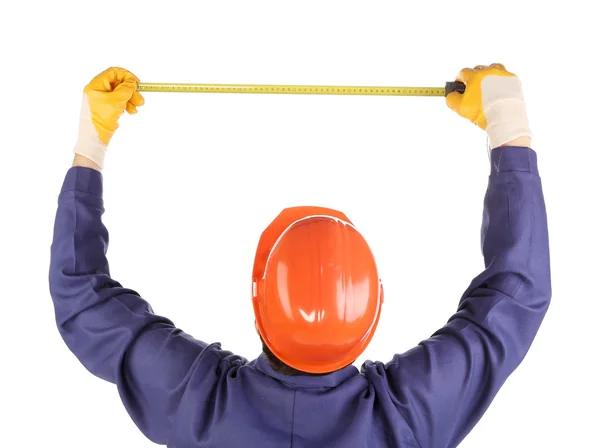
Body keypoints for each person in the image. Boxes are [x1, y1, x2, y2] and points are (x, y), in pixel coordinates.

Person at [49, 64, 551, 448]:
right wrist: (507, 120)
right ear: (374, 307)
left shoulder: (198, 403)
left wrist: (92, 139)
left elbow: (81, 295)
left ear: (257, 298)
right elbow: (516, 294)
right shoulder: (408, 416)